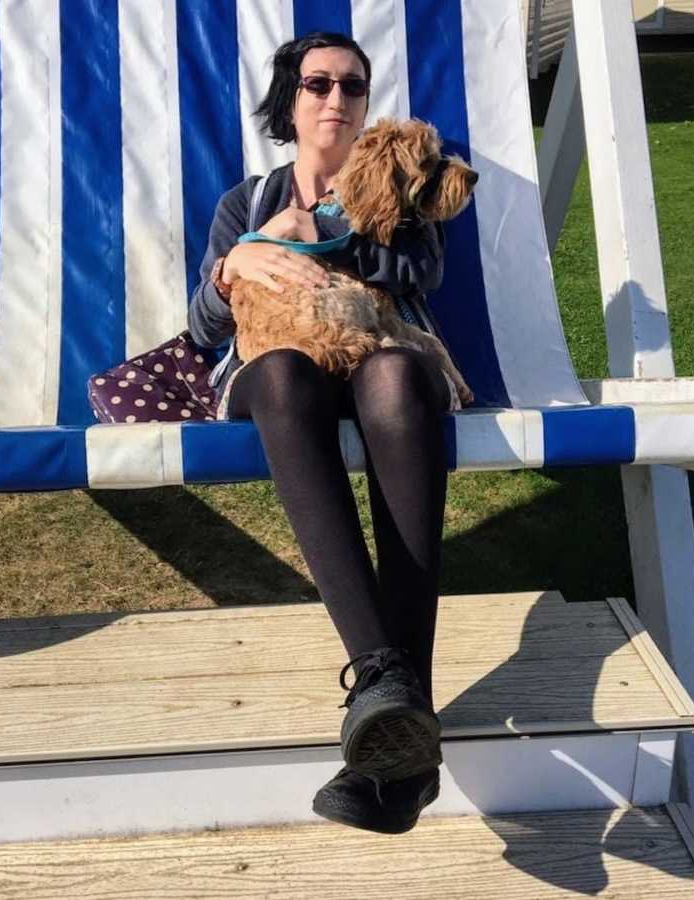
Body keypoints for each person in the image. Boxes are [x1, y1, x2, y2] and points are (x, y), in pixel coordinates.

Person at [187, 32, 452, 835]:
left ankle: (393, 741)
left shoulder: (399, 182)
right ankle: (391, 685)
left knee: (401, 376)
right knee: (280, 374)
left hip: (377, 356)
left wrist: (344, 226)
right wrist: (238, 264)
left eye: (353, 86)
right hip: (280, 374)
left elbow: (422, 276)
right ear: (291, 101)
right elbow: (203, 328)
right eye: (318, 84)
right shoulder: (248, 197)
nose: (336, 98)